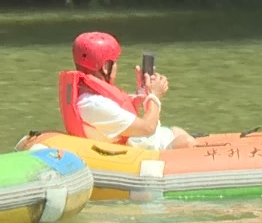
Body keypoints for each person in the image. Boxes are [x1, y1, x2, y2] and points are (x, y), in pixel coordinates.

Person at [56, 32, 197, 149]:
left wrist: (143, 91)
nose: (116, 67)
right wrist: (155, 96)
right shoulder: (95, 105)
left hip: (133, 141)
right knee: (187, 143)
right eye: (115, 62)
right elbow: (147, 128)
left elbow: (118, 115)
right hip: (137, 155)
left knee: (177, 131)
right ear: (105, 67)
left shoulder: (87, 97)